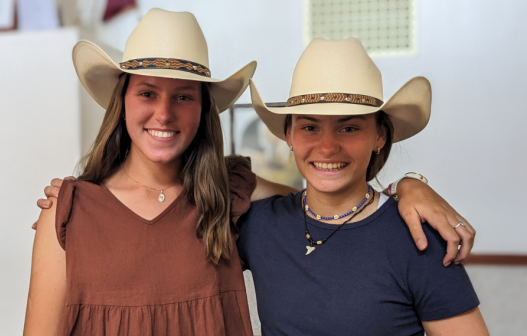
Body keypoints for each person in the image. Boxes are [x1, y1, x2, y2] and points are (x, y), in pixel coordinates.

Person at [28, 8, 476, 336]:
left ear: (204, 109)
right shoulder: (67, 215)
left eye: (184, 96)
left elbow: (331, 201)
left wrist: (412, 187)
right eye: (147, 92)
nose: (163, 113)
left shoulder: (232, 199)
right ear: (121, 101)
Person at [237, 37, 488, 335]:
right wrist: (407, 184)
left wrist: (408, 185)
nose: (327, 147)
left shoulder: (420, 238)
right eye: (310, 127)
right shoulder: (257, 225)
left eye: (349, 128)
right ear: (289, 135)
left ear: (380, 137)